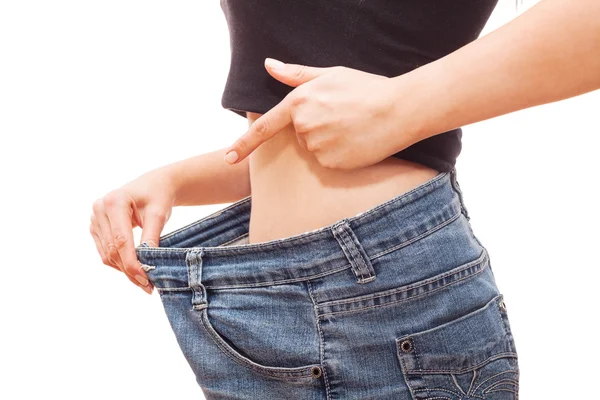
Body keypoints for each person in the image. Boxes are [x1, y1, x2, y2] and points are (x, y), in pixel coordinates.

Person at [89, 0, 599, 398]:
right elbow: (325, 135)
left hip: (382, 306)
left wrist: (401, 105)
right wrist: (175, 180)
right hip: (265, 302)